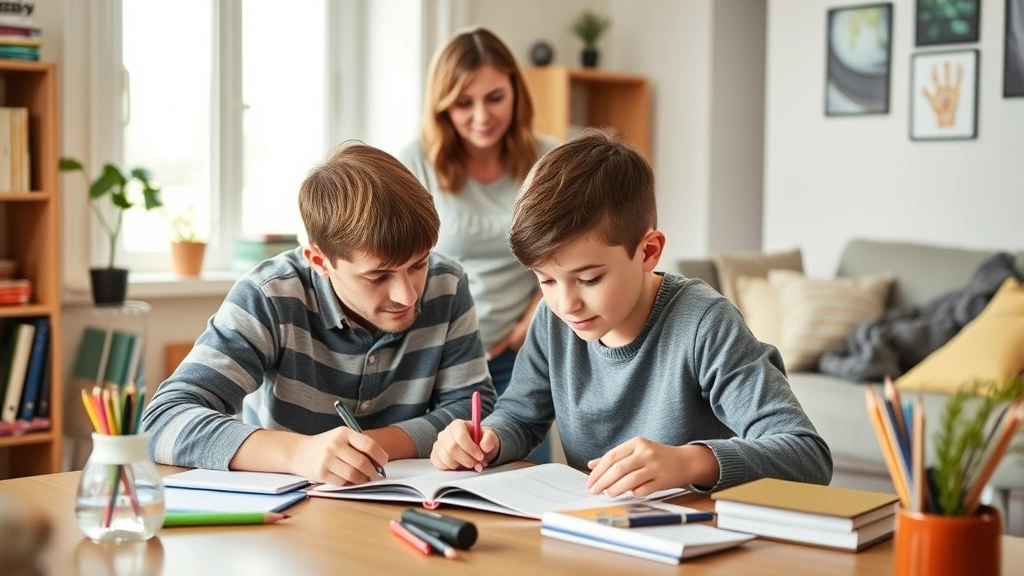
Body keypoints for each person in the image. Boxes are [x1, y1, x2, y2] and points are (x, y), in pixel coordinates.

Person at [429, 132, 833, 496]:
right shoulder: (552, 321)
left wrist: (690, 462)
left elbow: (806, 454)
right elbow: (520, 416)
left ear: (648, 251)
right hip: (595, 534)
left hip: (697, 542)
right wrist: (488, 439)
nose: (566, 304)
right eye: (546, 281)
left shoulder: (704, 324)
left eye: (588, 279)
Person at [142, 143, 496, 487]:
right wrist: (299, 453)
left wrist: (370, 446)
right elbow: (162, 419)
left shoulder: (447, 283)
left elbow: (471, 407)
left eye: (418, 264)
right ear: (320, 261)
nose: (408, 295)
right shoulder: (271, 294)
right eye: (378, 276)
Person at [399, 27, 557, 461]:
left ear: (515, 92)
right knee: (441, 475)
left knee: (522, 475)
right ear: (442, 105)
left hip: (519, 353)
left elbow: (567, 254)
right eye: (464, 103)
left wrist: (533, 320)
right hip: (437, 357)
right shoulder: (414, 162)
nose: (482, 116)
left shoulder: (549, 159)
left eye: (494, 98)